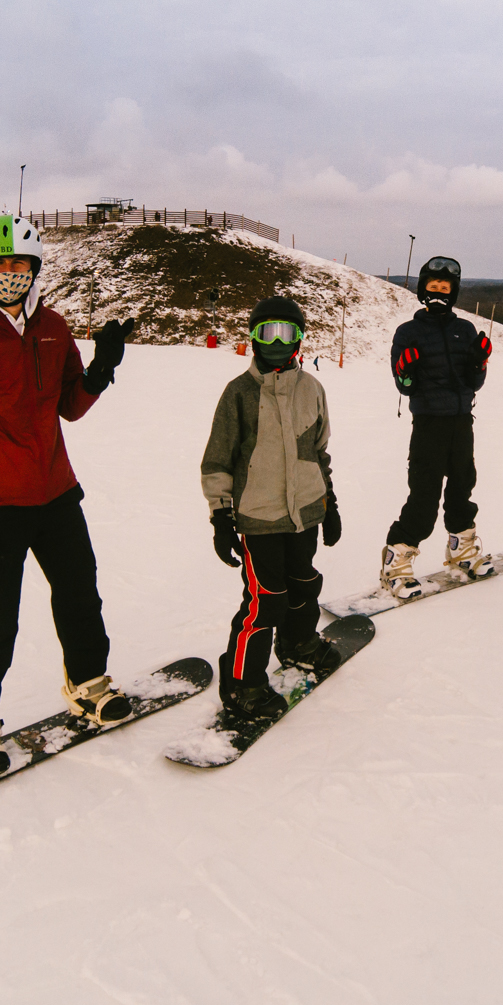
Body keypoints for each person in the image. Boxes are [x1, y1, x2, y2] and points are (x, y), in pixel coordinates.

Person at [0, 212, 137, 778]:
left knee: (79, 595)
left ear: (35, 268)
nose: (9, 273)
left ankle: (89, 683)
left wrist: (101, 370)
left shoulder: (54, 327)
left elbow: (69, 405)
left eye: (20, 263)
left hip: (56, 493)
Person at [201, 295, 343, 720]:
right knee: (266, 601)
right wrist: (221, 517)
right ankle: (242, 683)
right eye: (268, 333)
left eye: (287, 333)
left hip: (305, 515)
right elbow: (217, 460)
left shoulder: (312, 389)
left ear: (300, 339)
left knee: (304, 584)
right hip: (259, 519)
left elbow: (319, 452)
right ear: (254, 337)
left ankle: (299, 644)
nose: (277, 343)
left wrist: (329, 502)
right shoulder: (239, 393)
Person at [380, 255, 495, 598]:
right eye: (433, 287)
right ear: (422, 290)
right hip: (429, 423)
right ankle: (395, 564)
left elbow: (474, 383)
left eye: (445, 287)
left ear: (454, 292)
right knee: (425, 496)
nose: (439, 292)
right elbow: (404, 386)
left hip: (461, 422)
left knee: (462, 487)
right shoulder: (408, 332)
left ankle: (462, 552)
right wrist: (405, 370)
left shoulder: (465, 330)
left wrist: (479, 363)